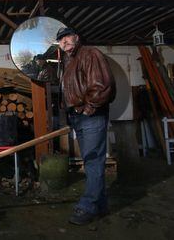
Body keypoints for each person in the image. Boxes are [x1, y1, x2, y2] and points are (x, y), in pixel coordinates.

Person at [56, 27, 116, 225]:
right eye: (60, 39)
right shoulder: (68, 61)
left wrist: (88, 109)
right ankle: (101, 206)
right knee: (91, 162)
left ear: (76, 37)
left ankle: (88, 206)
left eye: (66, 37)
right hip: (79, 116)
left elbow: (102, 85)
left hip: (91, 114)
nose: (63, 41)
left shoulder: (90, 53)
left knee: (92, 160)